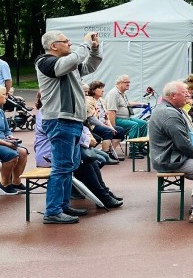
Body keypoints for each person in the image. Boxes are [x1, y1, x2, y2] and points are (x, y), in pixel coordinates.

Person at [35, 30, 102, 224]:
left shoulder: (68, 64)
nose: (70, 44)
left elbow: (90, 65)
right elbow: (73, 60)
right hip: (60, 120)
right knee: (62, 167)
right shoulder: (46, 62)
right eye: (66, 41)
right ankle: (53, 211)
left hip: (70, 121)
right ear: (53, 46)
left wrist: (95, 48)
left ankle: (62, 206)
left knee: (68, 166)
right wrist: (86, 45)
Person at [148, 81, 193, 222]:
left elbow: (184, 141)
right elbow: (183, 144)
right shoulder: (170, 114)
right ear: (173, 96)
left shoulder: (166, 109)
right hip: (169, 160)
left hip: (170, 157)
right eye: (184, 93)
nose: (188, 95)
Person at [103, 74, 148, 158]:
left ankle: (141, 147)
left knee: (143, 123)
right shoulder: (114, 94)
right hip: (117, 119)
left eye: (129, 82)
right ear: (119, 83)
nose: (128, 84)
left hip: (126, 118)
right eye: (126, 82)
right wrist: (113, 127)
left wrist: (141, 104)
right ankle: (133, 151)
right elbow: (111, 112)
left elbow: (127, 104)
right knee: (134, 125)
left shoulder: (122, 93)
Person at [85, 80, 125, 161]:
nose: (103, 90)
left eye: (102, 88)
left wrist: (111, 126)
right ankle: (105, 155)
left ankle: (110, 151)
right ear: (93, 90)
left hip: (102, 124)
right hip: (92, 125)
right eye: (100, 88)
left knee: (119, 130)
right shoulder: (89, 100)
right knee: (107, 131)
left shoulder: (102, 101)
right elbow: (92, 119)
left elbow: (106, 117)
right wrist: (108, 128)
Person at [0, 86, 29, 194]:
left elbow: (7, 130)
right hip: (1, 142)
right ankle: (4, 183)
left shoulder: (1, 112)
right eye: (4, 94)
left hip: (4, 141)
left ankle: (16, 182)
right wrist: (6, 143)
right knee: (12, 155)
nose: (7, 97)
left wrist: (11, 138)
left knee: (23, 152)